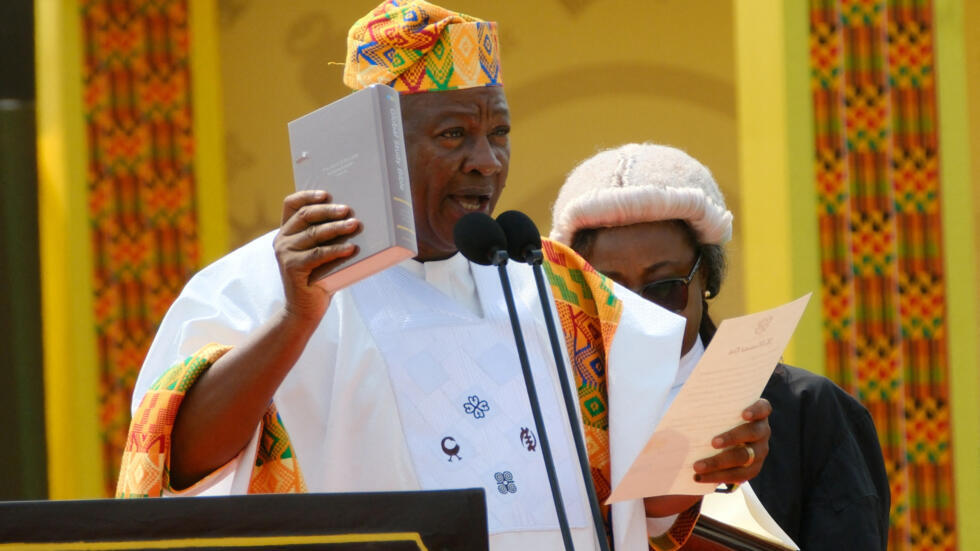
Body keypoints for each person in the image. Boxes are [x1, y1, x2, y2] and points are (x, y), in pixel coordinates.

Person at [115, 3, 773, 549]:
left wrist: (707, 458)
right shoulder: (262, 283)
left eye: (499, 132)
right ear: (374, 145)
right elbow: (180, 466)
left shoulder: (556, 284)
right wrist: (295, 319)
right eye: (455, 135)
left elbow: (633, 507)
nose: (487, 161)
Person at [550, 142, 891, 550]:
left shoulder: (808, 413)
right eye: (612, 294)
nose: (640, 315)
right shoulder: (546, 414)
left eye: (663, 288)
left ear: (706, 278)